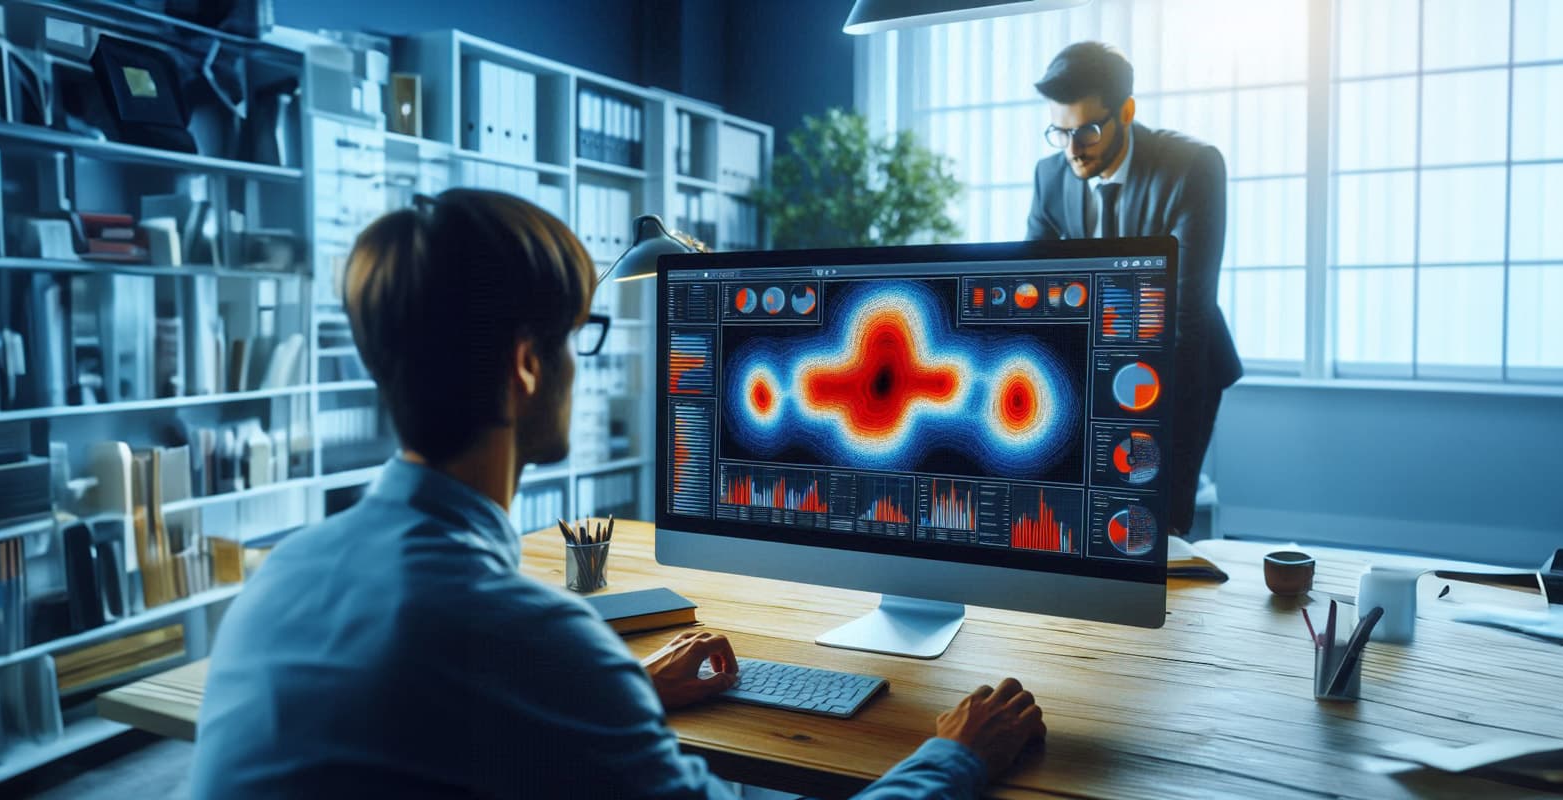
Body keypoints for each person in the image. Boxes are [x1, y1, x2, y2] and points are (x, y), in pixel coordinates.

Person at [191, 188, 1046, 799]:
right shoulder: (530, 643)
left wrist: (623, 695)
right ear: (529, 364)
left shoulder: (281, 579)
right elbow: (498, 676)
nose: (579, 367)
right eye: (577, 338)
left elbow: (439, 725)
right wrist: (955, 758)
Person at [1025, 42, 1242, 537]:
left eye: (1087, 131)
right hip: (1095, 362)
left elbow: (1186, 317)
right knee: (1080, 518)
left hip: (1184, 361)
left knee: (1155, 520)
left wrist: (1161, 442)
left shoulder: (1191, 168)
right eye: (1059, 132)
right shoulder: (1051, 176)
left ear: (1126, 111)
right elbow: (1030, 292)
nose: (1073, 148)